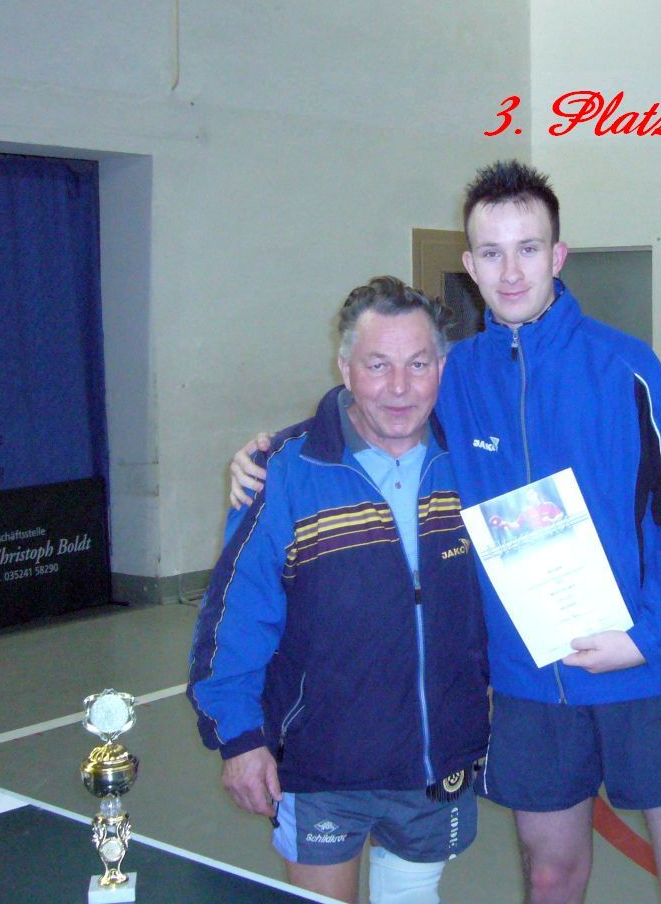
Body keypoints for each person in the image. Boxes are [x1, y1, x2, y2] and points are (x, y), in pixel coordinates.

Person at [232, 162, 661, 904]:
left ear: (558, 255)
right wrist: (270, 453)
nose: (511, 272)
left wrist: (648, 637)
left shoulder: (625, 368)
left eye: (528, 249)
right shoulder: (454, 376)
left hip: (652, 669)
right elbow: (375, 403)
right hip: (530, 686)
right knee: (551, 876)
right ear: (469, 266)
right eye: (492, 253)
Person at [189, 276, 490, 904]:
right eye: (378, 365)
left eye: (418, 364)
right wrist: (240, 739)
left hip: (435, 762)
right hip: (322, 766)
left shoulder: (475, 464)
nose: (399, 387)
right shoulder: (285, 473)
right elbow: (235, 618)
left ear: (441, 368)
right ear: (345, 368)